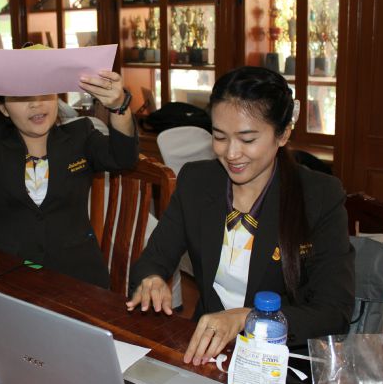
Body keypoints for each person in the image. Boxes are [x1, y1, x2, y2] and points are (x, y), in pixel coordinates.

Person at [127, 66, 354, 365]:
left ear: (283, 134)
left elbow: (334, 312)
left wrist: (248, 318)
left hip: (281, 361)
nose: (232, 153)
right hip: (208, 351)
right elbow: (153, 259)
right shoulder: (197, 181)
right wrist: (152, 279)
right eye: (219, 136)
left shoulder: (318, 196)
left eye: (247, 140)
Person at [0, 50, 138, 288]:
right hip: (10, 272)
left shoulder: (81, 136)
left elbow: (123, 157)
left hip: (79, 274)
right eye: (21, 97)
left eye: (45, 92)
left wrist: (119, 106)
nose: (36, 103)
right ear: (3, 108)